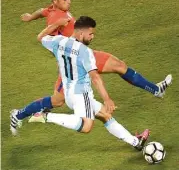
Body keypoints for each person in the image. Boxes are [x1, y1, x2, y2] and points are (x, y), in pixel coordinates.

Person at [21, 0, 173, 113]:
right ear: (55, 0)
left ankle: (156, 90)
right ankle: (25, 113)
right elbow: (48, 40)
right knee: (58, 100)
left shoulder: (53, 9)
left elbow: (42, 11)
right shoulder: (56, 18)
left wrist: (29, 17)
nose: (69, 1)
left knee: (119, 65)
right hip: (75, 62)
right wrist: (60, 45)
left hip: (85, 55)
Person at [11, 16, 149, 152]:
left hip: (69, 93)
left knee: (105, 115)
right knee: (86, 126)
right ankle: (44, 116)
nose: (92, 37)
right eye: (91, 34)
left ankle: (136, 142)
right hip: (82, 94)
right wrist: (107, 99)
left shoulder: (59, 42)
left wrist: (56, 24)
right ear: (81, 33)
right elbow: (95, 77)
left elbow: (40, 37)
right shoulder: (85, 52)